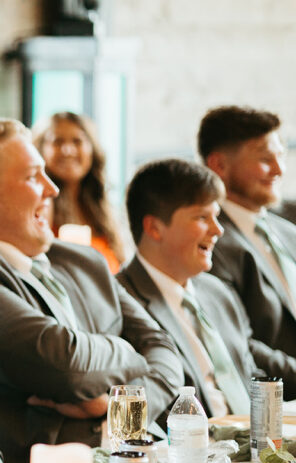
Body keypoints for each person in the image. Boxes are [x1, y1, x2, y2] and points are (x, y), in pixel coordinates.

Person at [0, 117, 183, 463]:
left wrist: (114, 409)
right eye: (31, 177)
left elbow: (164, 348)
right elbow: (67, 364)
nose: (52, 189)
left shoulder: (82, 260)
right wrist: (130, 352)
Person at [118, 158, 296, 418]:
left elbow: (248, 369)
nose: (218, 230)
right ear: (154, 228)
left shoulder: (217, 292)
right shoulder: (118, 298)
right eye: (202, 217)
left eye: (217, 216)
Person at [199, 106, 296, 358]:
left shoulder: (288, 231)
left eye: (281, 156)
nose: (279, 169)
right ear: (219, 165)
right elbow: (238, 343)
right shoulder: (208, 241)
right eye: (265, 159)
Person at [35, 111, 129, 272]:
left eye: (77, 141)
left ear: (91, 149)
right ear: (40, 149)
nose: (68, 150)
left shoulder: (102, 209)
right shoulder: (39, 207)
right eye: (57, 142)